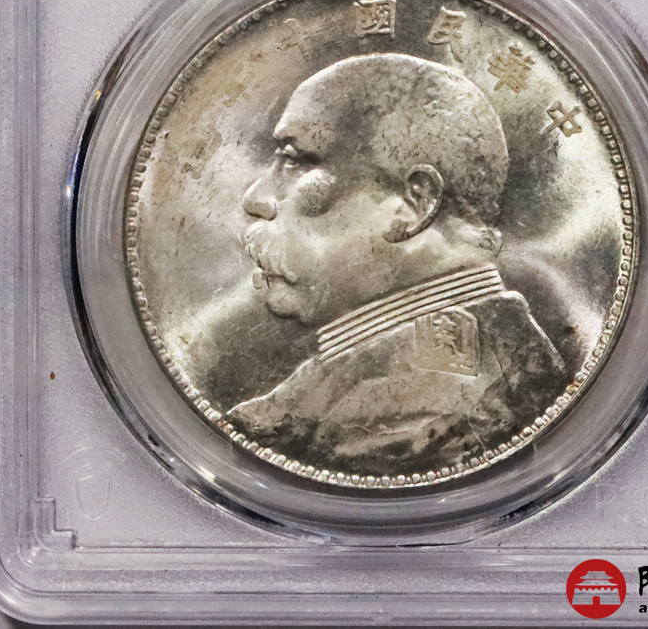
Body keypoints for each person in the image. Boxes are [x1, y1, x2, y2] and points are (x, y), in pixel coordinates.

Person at [228, 53, 565, 473]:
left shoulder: (409, 421)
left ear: (414, 203)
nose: (256, 198)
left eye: (295, 160)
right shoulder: (491, 365)